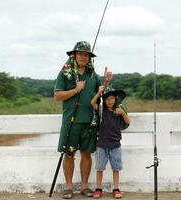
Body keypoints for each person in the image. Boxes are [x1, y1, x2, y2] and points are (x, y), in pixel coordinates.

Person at [54, 41, 112, 199]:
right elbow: (57, 96)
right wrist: (76, 89)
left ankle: (85, 187)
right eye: (80, 54)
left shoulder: (93, 75)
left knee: (86, 154)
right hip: (70, 122)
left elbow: (101, 95)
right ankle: (68, 187)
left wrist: (106, 82)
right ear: (74, 55)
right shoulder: (65, 74)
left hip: (90, 122)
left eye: (86, 55)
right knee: (69, 154)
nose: (83, 57)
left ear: (89, 58)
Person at [90, 86, 130, 199]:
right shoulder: (101, 110)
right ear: (104, 100)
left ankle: (116, 188)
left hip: (115, 145)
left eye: (112, 98)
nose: (110, 101)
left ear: (116, 99)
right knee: (100, 168)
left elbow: (128, 122)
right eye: (107, 99)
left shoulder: (119, 111)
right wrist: (99, 93)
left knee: (116, 168)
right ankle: (98, 188)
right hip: (101, 145)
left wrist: (123, 113)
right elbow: (92, 103)